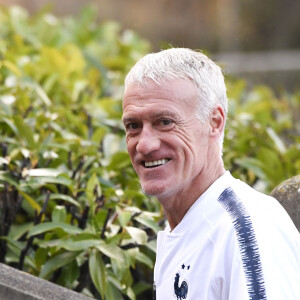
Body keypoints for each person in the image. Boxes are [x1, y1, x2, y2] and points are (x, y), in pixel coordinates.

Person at [122, 48, 300, 300]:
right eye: (133, 126)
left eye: (165, 122)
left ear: (214, 122)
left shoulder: (247, 230)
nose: (144, 145)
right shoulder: (185, 225)